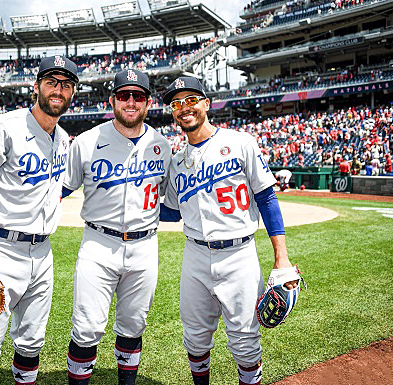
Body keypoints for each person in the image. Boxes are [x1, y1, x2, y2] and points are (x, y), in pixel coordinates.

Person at [159, 77, 298, 385]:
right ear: (173, 113)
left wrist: (282, 258)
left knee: (246, 342)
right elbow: (170, 210)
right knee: (195, 339)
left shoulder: (240, 142)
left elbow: (267, 198)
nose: (185, 108)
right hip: (195, 255)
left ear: (206, 104)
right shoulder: (177, 161)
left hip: (239, 254)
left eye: (191, 100)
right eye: (177, 104)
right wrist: (133, 199)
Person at [0, 55, 78, 385]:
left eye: (66, 84)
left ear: (73, 94)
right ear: (36, 87)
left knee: (32, 342)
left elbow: (53, 190)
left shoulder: (63, 138)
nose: (58, 90)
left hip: (43, 252)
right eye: (51, 82)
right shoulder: (3, 127)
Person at [63, 69, 172, 385]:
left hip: (144, 246)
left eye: (138, 96)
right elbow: (59, 189)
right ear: (112, 100)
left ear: (147, 103)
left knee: (134, 325)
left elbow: (175, 203)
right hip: (99, 243)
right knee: (87, 327)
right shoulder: (86, 142)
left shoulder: (161, 145)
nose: (131, 102)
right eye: (124, 95)